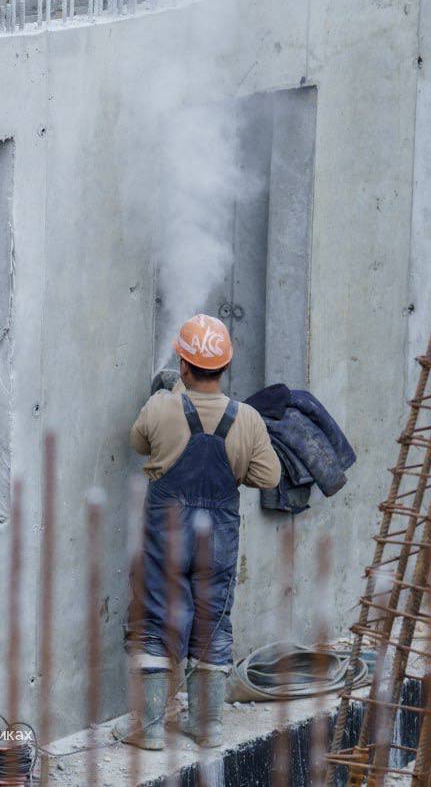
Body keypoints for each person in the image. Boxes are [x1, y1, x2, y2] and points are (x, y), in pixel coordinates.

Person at [116, 313, 281, 750]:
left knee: (154, 613)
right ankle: (207, 727)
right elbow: (269, 477)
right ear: (225, 367)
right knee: (213, 617)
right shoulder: (247, 418)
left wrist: (170, 396)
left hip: (166, 530)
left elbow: (138, 443)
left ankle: (150, 729)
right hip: (219, 533)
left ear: (183, 365)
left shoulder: (160, 407)